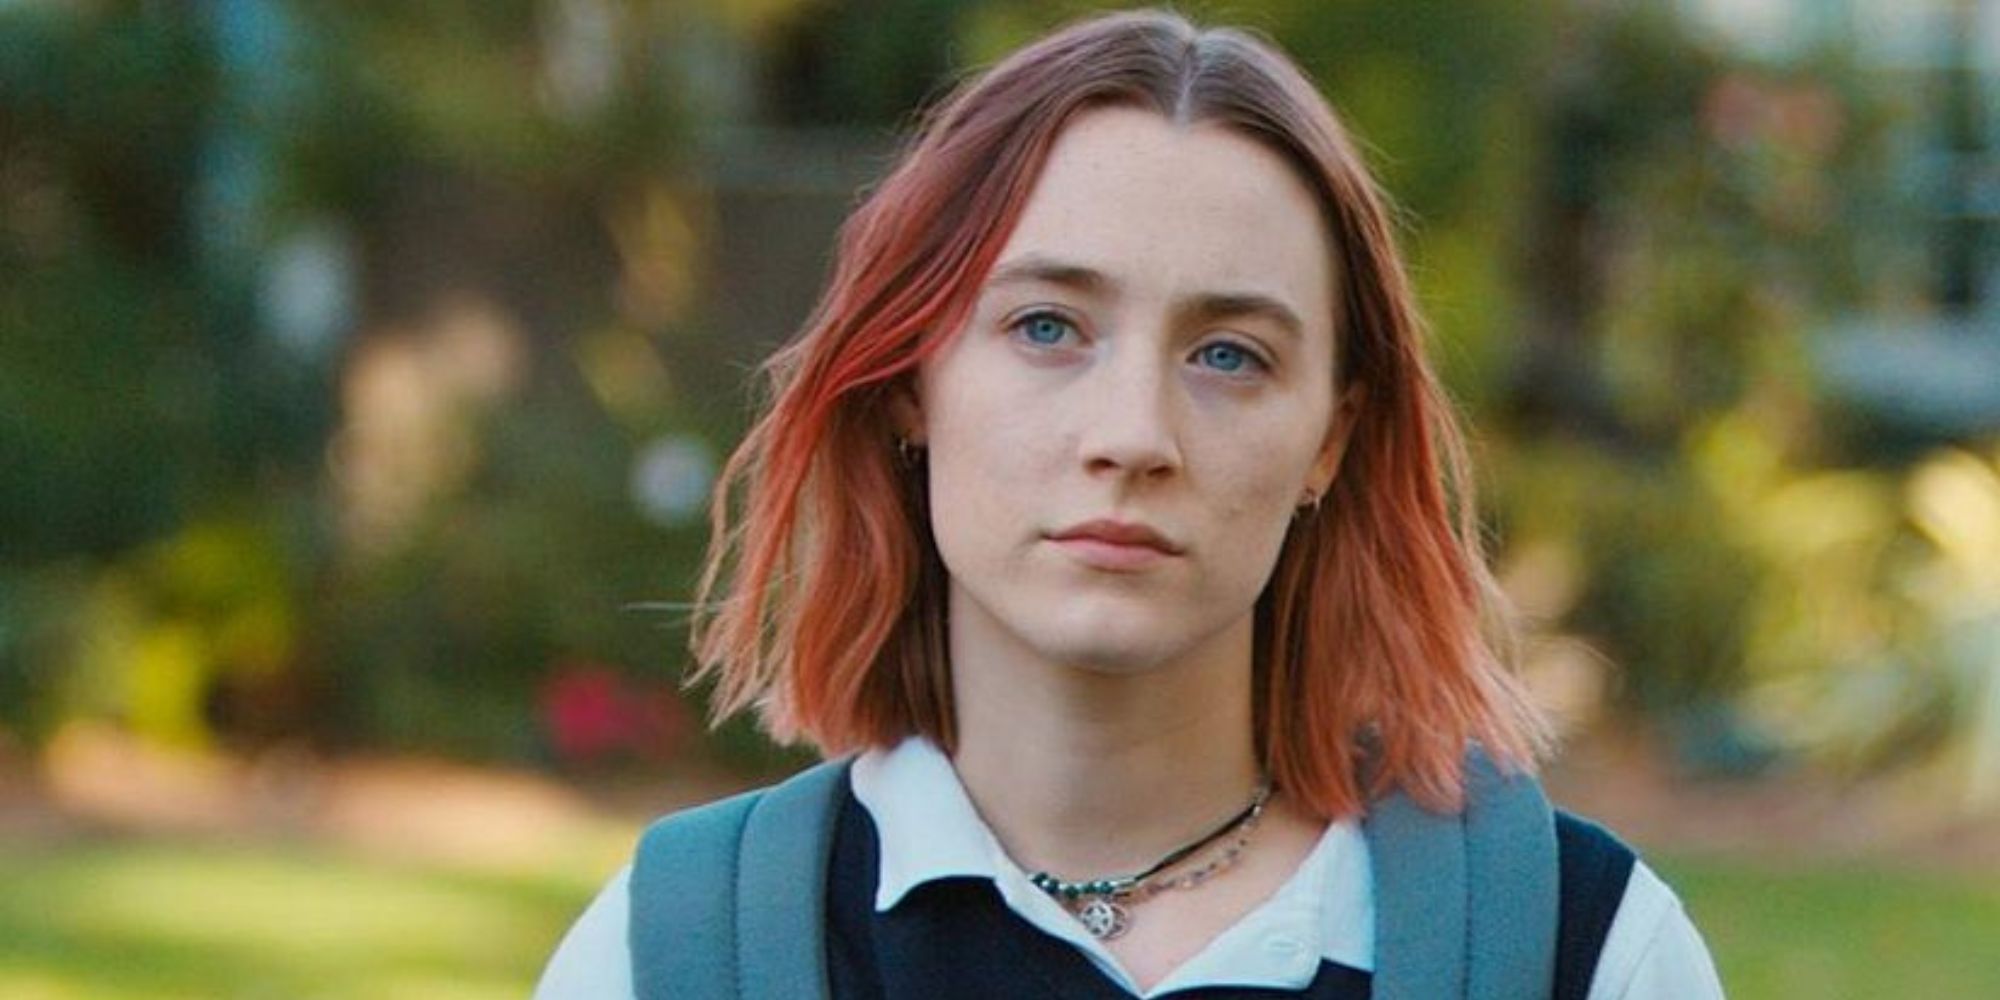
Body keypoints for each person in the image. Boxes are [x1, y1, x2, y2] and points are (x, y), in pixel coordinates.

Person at [536, 8, 1723, 998]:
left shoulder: (1582, 953)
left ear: (1331, 438)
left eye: (1229, 355)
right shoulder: (673, 954)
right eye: (1046, 327)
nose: (1132, 437)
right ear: (907, 384)